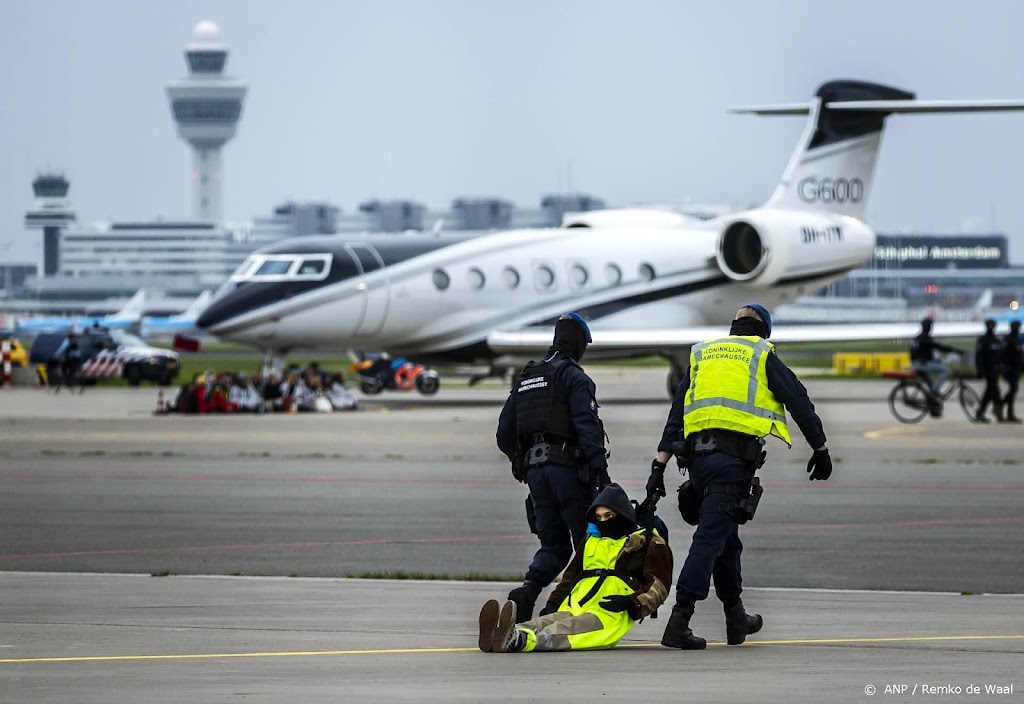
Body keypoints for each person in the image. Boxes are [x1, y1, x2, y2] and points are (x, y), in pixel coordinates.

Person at [647, 304, 831, 650]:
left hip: (697, 464)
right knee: (709, 540)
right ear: (764, 330)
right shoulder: (761, 353)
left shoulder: (704, 353)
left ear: (735, 326)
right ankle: (679, 620)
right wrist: (819, 448)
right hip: (731, 464)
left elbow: (678, 411)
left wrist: (658, 466)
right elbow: (797, 399)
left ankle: (736, 618)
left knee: (726, 541)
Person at [496, 312, 610, 622]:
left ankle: (527, 593)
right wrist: (601, 475)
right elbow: (587, 426)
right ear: (576, 343)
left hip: (535, 472)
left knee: (554, 544)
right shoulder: (575, 377)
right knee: (589, 545)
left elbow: (504, 432)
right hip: (568, 471)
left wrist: (521, 462)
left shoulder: (528, 377)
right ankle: (560, 610)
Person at [478, 483, 672, 653]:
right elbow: (570, 577)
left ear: (622, 514)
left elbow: (659, 586)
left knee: (560, 631)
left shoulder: (646, 542)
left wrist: (631, 603)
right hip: (575, 606)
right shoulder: (591, 543)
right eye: (599, 517)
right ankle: (506, 634)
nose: (603, 522)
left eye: (609, 516)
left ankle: (517, 640)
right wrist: (553, 603)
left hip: (608, 613)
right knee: (541, 623)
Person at [910, 318, 960, 405]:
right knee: (946, 370)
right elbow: (938, 346)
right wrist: (954, 350)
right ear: (928, 327)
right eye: (930, 326)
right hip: (922, 364)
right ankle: (933, 391)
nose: (930, 328)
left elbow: (915, 352)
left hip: (918, 363)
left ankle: (933, 400)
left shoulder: (918, 338)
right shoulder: (926, 338)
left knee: (932, 382)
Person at [974, 319, 1004, 423]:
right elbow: (979, 356)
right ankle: (997, 409)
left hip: (995, 369)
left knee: (989, 392)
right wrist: (979, 369)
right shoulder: (983, 340)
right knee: (995, 390)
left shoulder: (996, 340)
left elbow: (1000, 356)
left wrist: (1001, 367)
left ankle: (980, 412)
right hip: (987, 369)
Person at [1001, 320, 1022, 423]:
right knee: (1013, 389)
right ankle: (1003, 406)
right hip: (1010, 368)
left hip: (1016, 368)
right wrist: (1004, 367)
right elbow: (1003, 354)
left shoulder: (1017, 339)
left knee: (1013, 390)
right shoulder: (1008, 339)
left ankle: (1009, 412)